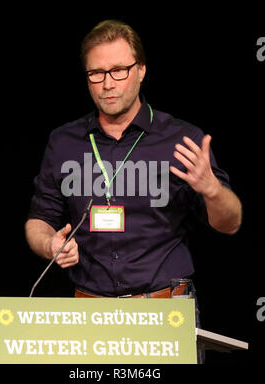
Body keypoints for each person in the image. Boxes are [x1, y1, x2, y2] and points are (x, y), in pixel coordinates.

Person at [25, 19, 242, 300]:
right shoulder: (63, 141)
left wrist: (213, 191)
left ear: (141, 71)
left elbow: (231, 223)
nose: (107, 84)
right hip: (90, 307)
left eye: (118, 71)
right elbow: (39, 219)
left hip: (164, 306)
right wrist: (48, 244)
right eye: (96, 73)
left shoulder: (181, 139)